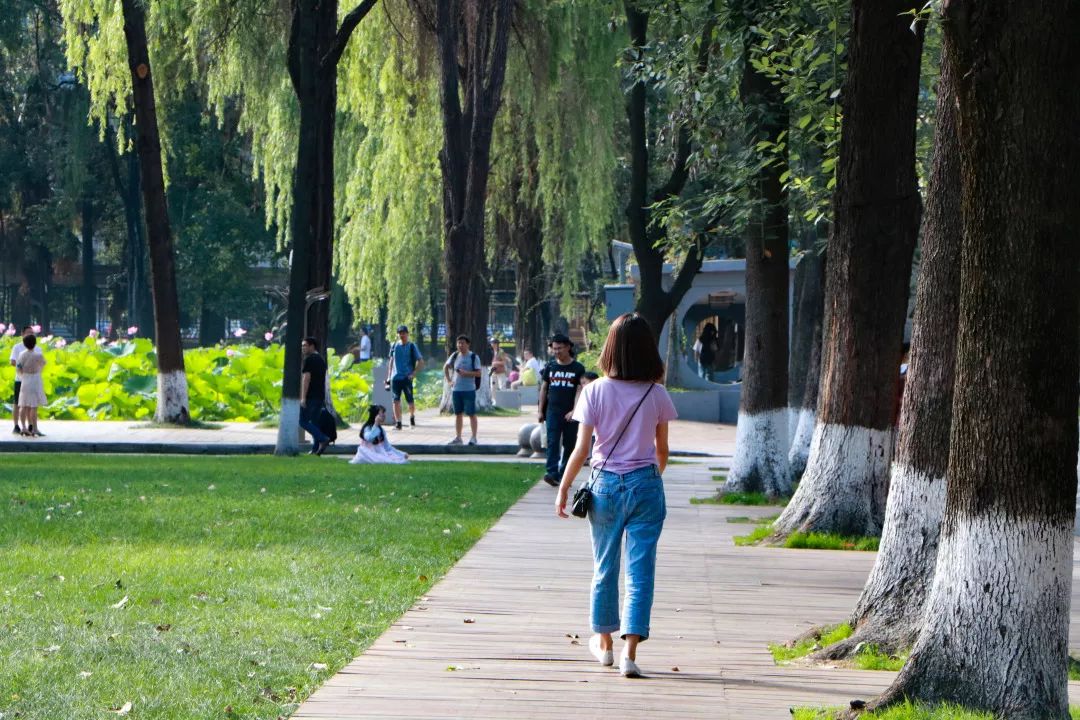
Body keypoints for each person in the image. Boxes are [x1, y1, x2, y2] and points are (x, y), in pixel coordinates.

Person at [555, 312, 678, 678]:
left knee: (604, 566)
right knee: (641, 572)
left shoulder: (593, 391)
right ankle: (630, 653)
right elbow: (662, 451)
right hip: (646, 485)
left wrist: (564, 488)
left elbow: (580, 450)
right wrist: (649, 479)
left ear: (610, 349)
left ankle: (604, 645)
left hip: (605, 485)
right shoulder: (657, 394)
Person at [538, 333, 586, 486]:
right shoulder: (550, 366)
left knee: (569, 443)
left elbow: (580, 390)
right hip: (552, 411)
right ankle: (551, 472)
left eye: (560, 348)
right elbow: (544, 388)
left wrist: (574, 411)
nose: (557, 351)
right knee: (552, 442)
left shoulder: (578, 368)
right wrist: (540, 410)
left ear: (568, 347)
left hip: (570, 413)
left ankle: (564, 473)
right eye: (554, 348)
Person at [444, 335, 481, 446]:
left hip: (469, 389)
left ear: (468, 344)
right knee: (458, 414)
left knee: (471, 413)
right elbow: (445, 367)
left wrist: (466, 373)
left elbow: (479, 373)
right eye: (458, 343)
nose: (460, 345)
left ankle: (474, 437)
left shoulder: (473, 357)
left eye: (463, 343)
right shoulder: (455, 355)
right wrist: (449, 381)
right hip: (456, 390)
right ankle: (458, 437)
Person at [386, 325, 424, 430]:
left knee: (410, 400)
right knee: (395, 400)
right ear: (397, 334)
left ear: (407, 334)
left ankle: (412, 417)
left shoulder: (412, 346)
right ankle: (398, 423)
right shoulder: (394, 346)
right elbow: (391, 361)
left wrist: (413, 373)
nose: (402, 335)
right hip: (395, 378)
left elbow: (421, 361)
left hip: (407, 378)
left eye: (404, 333)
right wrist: (388, 377)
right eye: (400, 333)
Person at [299, 336, 331, 456]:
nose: (303, 348)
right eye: (302, 345)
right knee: (315, 422)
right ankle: (315, 448)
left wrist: (303, 398)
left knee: (303, 421)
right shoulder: (321, 360)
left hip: (311, 396)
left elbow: (306, 379)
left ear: (312, 346)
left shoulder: (309, 360)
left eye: (305, 345)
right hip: (320, 395)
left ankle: (322, 438)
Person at [15, 333, 47, 437]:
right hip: (35, 379)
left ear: (24, 344)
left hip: (25, 379)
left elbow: (18, 368)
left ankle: (23, 427)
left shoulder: (21, 355)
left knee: (23, 404)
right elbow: (43, 364)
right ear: (35, 343)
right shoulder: (38, 355)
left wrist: (23, 375)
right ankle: (34, 428)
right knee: (33, 406)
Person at [9, 325, 31, 434]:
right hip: (20, 379)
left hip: (31, 379)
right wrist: (22, 366)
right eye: (28, 332)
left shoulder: (35, 347)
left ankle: (30, 425)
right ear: (22, 334)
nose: (30, 334)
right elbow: (12, 361)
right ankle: (16, 425)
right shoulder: (17, 347)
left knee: (30, 404)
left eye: (32, 333)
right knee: (17, 403)